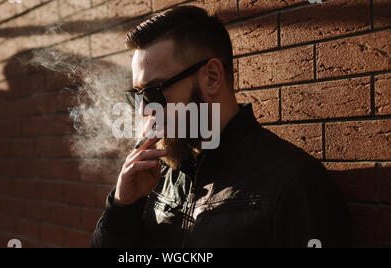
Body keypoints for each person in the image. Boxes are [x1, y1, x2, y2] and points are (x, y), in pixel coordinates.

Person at [91, 6, 351, 248]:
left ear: (212, 77)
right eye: (138, 96)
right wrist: (121, 207)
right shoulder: (156, 178)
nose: (145, 110)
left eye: (154, 92)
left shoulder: (294, 184)